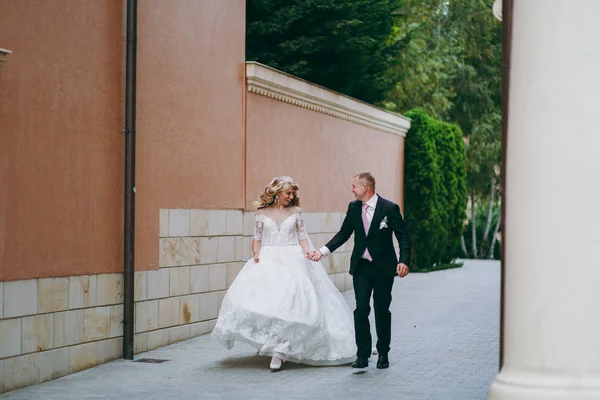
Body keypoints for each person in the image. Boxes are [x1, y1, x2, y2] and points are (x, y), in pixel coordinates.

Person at [211, 176, 356, 371]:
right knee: (267, 302)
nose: (291, 196)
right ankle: (273, 342)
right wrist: (256, 254)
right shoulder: (261, 213)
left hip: (292, 257)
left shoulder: (296, 212)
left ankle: (281, 349)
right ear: (277, 192)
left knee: (292, 301)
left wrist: (307, 252)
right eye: (288, 193)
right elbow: (257, 238)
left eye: (293, 193)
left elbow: (302, 236)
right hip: (268, 257)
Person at [311, 172, 411, 369]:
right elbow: (344, 233)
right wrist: (322, 252)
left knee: (382, 310)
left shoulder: (389, 208)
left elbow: (403, 236)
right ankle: (363, 354)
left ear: (365, 188)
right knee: (361, 309)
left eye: (354, 186)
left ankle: (383, 353)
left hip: (383, 268)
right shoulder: (353, 207)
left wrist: (404, 261)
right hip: (362, 267)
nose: (352, 189)